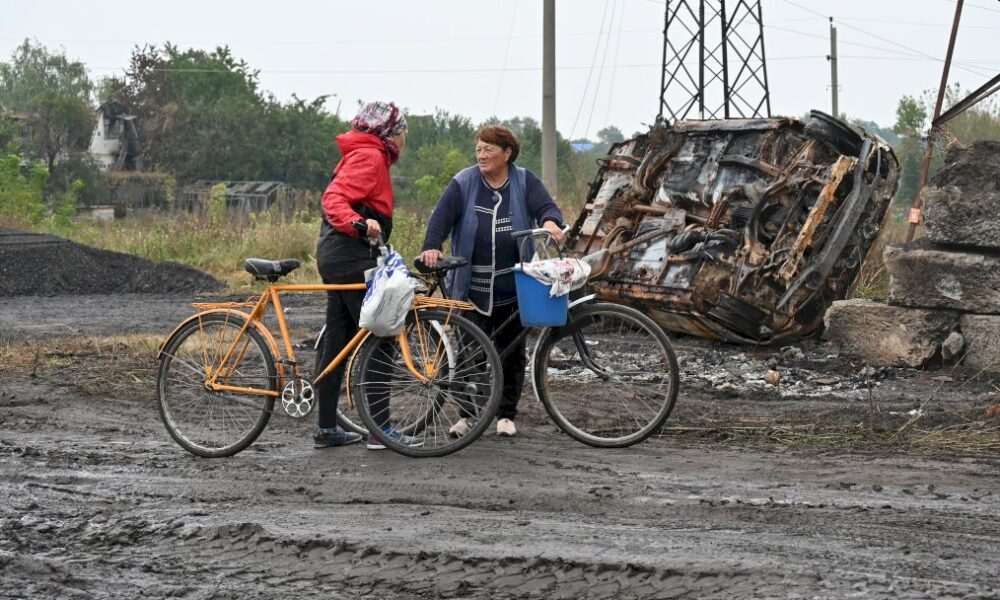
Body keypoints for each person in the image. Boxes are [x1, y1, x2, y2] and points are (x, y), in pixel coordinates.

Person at [419, 125, 564, 438]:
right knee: (470, 353)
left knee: (512, 354)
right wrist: (432, 245)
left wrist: (551, 223)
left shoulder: (525, 181)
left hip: (514, 287)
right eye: (478, 149)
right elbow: (440, 218)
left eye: (488, 149)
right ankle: (467, 416)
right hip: (472, 288)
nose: (481, 155)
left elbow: (546, 208)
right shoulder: (464, 182)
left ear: (507, 153)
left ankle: (506, 415)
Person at [313, 100, 416, 451]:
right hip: (350, 256)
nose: (405, 139)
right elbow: (334, 199)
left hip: (337, 256)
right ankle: (381, 430)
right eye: (403, 132)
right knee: (381, 335)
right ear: (389, 133)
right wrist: (359, 224)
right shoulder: (370, 156)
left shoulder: (365, 153)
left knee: (338, 342)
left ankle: (327, 428)